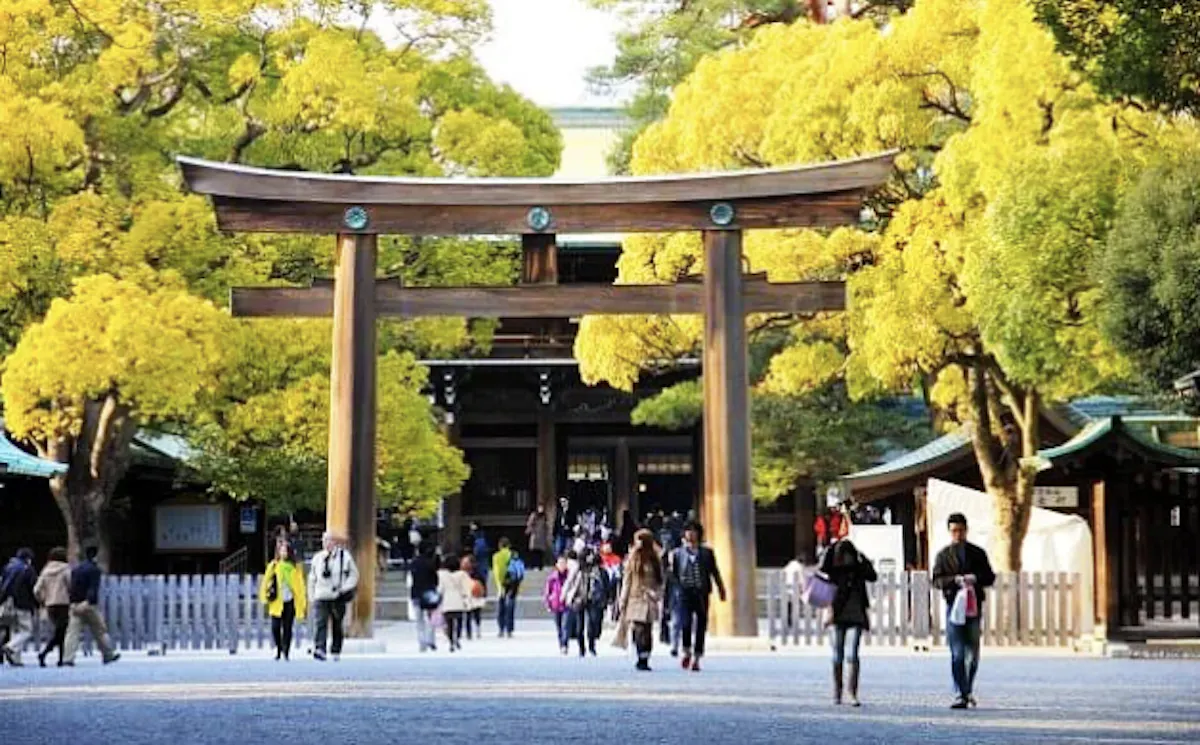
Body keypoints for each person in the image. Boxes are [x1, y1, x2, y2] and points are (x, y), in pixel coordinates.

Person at [932, 512, 996, 709]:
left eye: (960, 530)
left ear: (966, 530)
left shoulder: (978, 553)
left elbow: (989, 577)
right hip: (954, 606)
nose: (957, 534)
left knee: (973, 653)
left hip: (974, 606)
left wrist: (975, 578)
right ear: (949, 532)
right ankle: (961, 693)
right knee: (957, 652)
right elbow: (936, 580)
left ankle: (967, 688)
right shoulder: (944, 555)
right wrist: (954, 580)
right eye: (954, 531)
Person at [819, 538, 877, 706]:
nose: (846, 559)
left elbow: (872, 576)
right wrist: (831, 548)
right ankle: (837, 691)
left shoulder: (859, 569)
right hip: (837, 616)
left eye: (848, 555)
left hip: (856, 616)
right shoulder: (833, 571)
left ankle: (852, 692)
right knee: (837, 655)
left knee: (852, 654)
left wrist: (862, 557)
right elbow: (823, 566)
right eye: (843, 555)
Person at [670, 522, 727, 672]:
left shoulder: (706, 553)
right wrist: (673, 593)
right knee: (685, 623)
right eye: (687, 531)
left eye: (693, 531)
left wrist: (721, 589)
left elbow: (714, 572)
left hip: (701, 592)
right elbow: (673, 576)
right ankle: (687, 650)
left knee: (701, 624)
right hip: (684, 592)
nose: (690, 534)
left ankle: (697, 656)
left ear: (699, 534)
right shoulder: (677, 553)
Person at [61, 546, 119, 666]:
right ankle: (108, 654)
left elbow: (72, 587)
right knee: (100, 630)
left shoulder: (76, 569)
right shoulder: (94, 570)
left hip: (75, 604)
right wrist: (88, 601)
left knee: (72, 632)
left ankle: (68, 658)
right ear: (95, 556)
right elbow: (93, 588)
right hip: (88, 605)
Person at [308, 531, 359, 661]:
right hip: (321, 594)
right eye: (324, 541)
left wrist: (345, 587)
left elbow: (354, 575)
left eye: (329, 540)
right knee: (320, 622)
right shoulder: (318, 558)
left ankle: (336, 649)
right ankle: (320, 648)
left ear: (334, 542)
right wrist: (311, 595)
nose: (327, 543)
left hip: (337, 594)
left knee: (337, 623)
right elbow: (312, 578)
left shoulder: (344, 556)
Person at [618, 528, 664, 671]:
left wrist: (658, 594)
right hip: (635, 596)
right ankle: (640, 654)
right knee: (638, 628)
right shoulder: (632, 559)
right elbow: (627, 580)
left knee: (647, 629)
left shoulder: (655, 559)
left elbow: (660, 580)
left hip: (649, 597)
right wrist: (623, 599)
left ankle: (645, 656)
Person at [259, 541, 307, 661]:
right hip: (277, 602)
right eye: (281, 551)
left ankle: (286, 651)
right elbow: (265, 581)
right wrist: (264, 596)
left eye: (285, 551)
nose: (283, 553)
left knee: (287, 628)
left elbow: (300, 586)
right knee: (275, 627)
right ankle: (279, 648)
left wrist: (303, 602)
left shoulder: (295, 567)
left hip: (290, 601)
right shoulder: (274, 565)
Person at [34, 547, 71, 667]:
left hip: (50, 604)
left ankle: (61, 659)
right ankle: (44, 653)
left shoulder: (45, 571)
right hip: (63, 603)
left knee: (60, 631)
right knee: (61, 632)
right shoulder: (66, 569)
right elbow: (70, 584)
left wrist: (43, 600)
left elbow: (36, 590)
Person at [0, 547, 38, 666]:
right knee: (26, 630)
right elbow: (33, 587)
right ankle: (10, 647)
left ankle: (16, 659)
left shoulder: (7, 568)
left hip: (9, 603)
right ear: (28, 559)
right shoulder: (28, 569)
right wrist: (36, 603)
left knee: (14, 630)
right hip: (23, 603)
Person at [409, 542, 440, 652]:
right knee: (432, 618)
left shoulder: (413, 563)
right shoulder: (430, 563)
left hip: (416, 592)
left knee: (419, 620)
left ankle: (421, 642)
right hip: (429, 592)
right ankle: (430, 639)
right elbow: (436, 579)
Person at [437, 555, 470, 652]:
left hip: (447, 601)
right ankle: (458, 638)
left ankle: (451, 642)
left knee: (449, 624)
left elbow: (440, 589)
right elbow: (466, 588)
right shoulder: (462, 575)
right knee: (459, 622)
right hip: (459, 601)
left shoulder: (442, 575)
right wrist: (467, 599)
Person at [492, 537, 522, 637]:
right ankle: (509, 629)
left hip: (502, 583)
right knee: (511, 606)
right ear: (509, 545)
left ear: (499, 545)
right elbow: (520, 570)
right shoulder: (514, 555)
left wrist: (499, 586)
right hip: (513, 583)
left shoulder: (496, 556)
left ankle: (501, 629)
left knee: (501, 606)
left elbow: (497, 572)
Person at [544, 555, 571, 654]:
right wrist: (548, 604)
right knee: (559, 627)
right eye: (560, 563)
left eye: (564, 563)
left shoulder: (570, 576)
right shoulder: (552, 578)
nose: (562, 565)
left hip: (567, 604)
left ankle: (565, 644)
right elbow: (547, 592)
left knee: (565, 626)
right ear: (557, 565)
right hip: (555, 604)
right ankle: (561, 644)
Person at [461, 552, 486, 640]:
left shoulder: (477, 573)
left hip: (475, 595)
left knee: (476, 613)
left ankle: (477, 629)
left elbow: (482, 584)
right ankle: (469, 633)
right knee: (468, 614)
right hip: (468, 595)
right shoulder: (462, 574)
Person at [524, 505, 551, 570]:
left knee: (540, 552)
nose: (541, 509)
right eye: (540, 508)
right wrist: (530, 530)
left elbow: (546, 526)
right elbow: (529, 524)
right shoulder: (534, 515)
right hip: (535, 535)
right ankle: (533, 565)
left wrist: (547, 535)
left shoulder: (544, 517)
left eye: (542, 508)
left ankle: (540, 566)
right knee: (534, 551)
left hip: (542, 536)